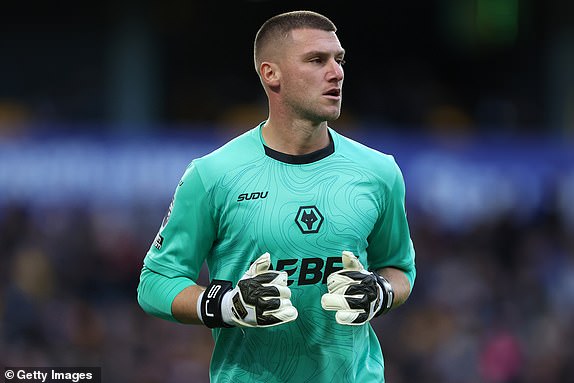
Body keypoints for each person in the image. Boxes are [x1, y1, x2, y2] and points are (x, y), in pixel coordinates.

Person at [137, 10, 416, 383]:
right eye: (317, 60)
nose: (336, 73)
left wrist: (380, 292)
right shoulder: (212, 175)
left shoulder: (379, 172)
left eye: (339, 60)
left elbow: (400, 268)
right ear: (271, 74)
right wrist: (227, 304)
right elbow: (156, 282)